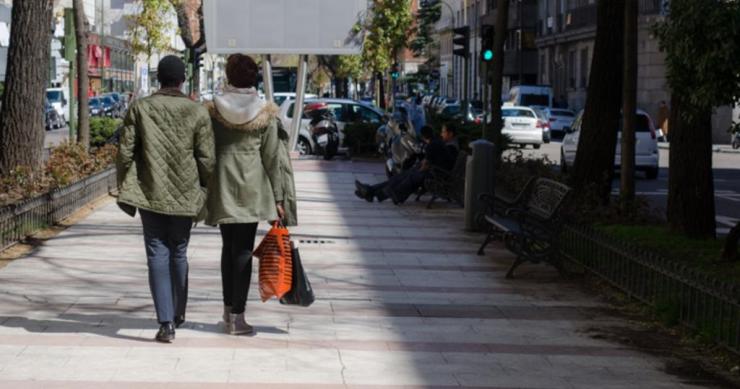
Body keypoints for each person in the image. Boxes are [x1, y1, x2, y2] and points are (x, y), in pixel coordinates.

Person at [116, 56, 215, 343]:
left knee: (157, 253)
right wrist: (204, 187)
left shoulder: (141, 108)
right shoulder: (197, 112)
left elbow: (125, 152)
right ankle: (179, 311)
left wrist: (125, 181)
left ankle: (166, 322)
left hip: (150, 191)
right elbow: (207, 159)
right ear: (182, 79)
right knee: (179, 252)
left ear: (159, 79)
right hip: (185, 193)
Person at [204, 54, 295, 336]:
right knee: (243, 250)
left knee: (227, 248)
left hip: (222, 185)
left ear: (228, 77)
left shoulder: (213, 111)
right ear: (253, 78)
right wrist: (279, 198)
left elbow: (205, 149)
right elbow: (272, 159)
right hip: (253, 188)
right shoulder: (264, 113)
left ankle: (228, 311)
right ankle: (238, 318)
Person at [355, 124, 459, 204]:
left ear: (450, 134)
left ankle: (371, 192)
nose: (441, 134)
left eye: (443, 132)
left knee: (404, 177)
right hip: (435, 173)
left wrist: (419, 169)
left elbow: (432, 164)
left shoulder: (450, 147)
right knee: (400, 177)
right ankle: (370, 191)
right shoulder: (446, 144)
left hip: (436, 176)